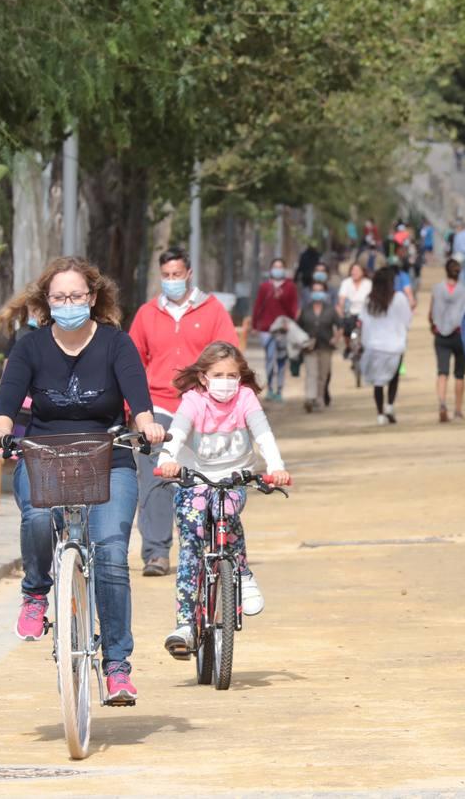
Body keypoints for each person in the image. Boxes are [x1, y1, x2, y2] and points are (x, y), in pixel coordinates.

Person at [0, 256, 166, 705]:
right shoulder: (29, 347)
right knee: (38, 519)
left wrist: (147, 424)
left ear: (93, 297)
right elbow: (6, 402)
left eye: (77, 296)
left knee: (111, 554)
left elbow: (138, 400)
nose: (68, 303)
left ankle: (118, 666)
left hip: (110, 458)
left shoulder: (115, 344)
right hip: (45, 456)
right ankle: (35, 594)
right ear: (46, 301)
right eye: (59, 297)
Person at [155, 342, 292, 656]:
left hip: (233, 478)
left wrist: (276, 467)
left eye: (233, 375)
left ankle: (242, 572)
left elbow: (263, 435)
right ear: (203, 377)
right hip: (194, 479)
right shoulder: (193, 401)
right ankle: (186, 623)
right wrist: (167, 460)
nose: (226, 381)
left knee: (228, 511)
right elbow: (176, 433)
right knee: (190, 541)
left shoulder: (245, 399)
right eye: (218, 374)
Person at [128, 247, 238, 577]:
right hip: (158, 406)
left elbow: (228, 357)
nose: (172, 281)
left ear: (189, 274)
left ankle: (204, 543)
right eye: (166, 276)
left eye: (177, 275)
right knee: (156, 477)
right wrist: (134, 411)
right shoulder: (147, 314)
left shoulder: (213, 310)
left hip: (202, 407)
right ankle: (156, 553)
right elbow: (133, 365)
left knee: (200, 479)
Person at [359, 266, 412, 425]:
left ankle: (380, 414)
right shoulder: (400, 298)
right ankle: (390, 405)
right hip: (395, 346)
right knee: (394, 377)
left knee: (378, 381)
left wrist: (365, 343)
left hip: (375, 346)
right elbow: (407, 320)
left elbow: (364, 323)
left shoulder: (369, 300)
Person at [429, 258, 465, 423]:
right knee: (459, 374)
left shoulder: (437, 289)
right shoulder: (464, 291)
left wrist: (433, 325)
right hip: (459, 334)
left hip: (441, 334)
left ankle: (442, 403)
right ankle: (458, 411)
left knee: (442, 372)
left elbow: (431, 311)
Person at [252, 258, 299, 401]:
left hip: (282, 329)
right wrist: (255, 325)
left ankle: (279, 390)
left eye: (280, 267)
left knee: (281, 360)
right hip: (266, 329)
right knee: (269, 358)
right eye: (275, 266)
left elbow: (293, 309)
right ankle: (270, 389)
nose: (277, 269)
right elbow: (258, 306)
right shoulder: (264, 287)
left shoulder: (290, 287)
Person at [298, 277, 340, 412]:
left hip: (326, 346)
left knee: (323, 374)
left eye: (320, 291)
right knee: (311, 373)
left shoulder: (330, 310)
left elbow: (340, 325)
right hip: (309, 347)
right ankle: (309, 398)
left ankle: (319, 398)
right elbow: (298, 327)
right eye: (315, 291)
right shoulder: (305, 310)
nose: (317, 293)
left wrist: (336, 338)